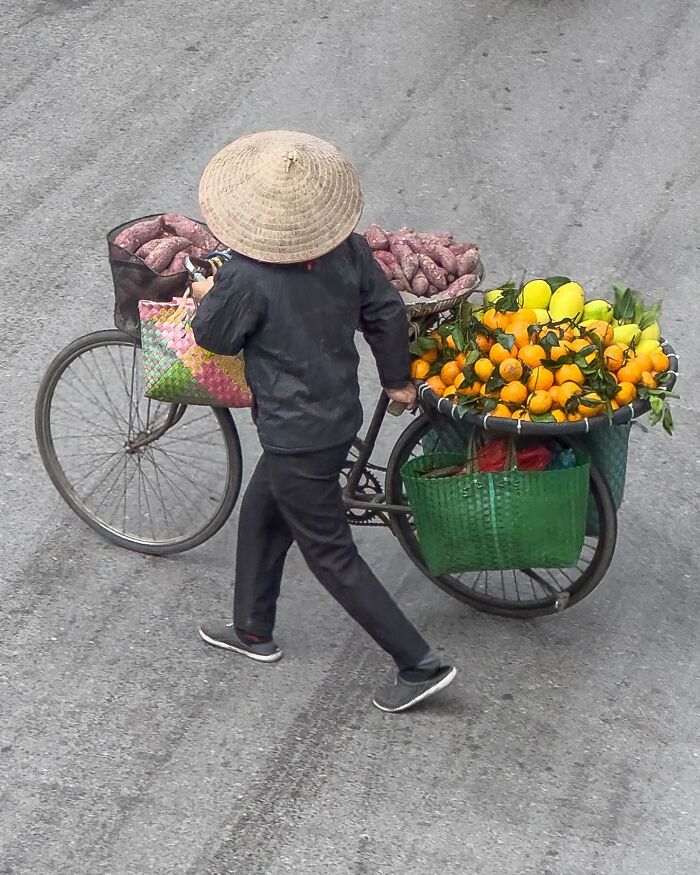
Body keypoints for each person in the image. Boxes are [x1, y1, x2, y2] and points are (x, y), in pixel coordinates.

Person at [191, 130, 456, 713]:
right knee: (263, 511)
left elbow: (212, 336)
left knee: (330, 554)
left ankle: (418, 663)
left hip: (295, 431)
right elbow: (385, 310)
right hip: (336, 414)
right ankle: (252, 630)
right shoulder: (349, 249)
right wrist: (395, 379)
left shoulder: (246, 276)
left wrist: (211, 291)